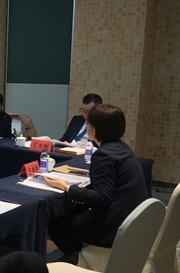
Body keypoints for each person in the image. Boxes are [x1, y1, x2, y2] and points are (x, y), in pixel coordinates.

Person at [45, 104, 147, 262]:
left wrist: (66, 187)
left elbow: (102, 197)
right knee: (75, 211)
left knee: (57, 224)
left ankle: (81, 259)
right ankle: (81, 255)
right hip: (134, 218)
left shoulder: (103, 155)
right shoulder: (122, 147)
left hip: (114, 226)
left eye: (89, 123)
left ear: (95, 129)